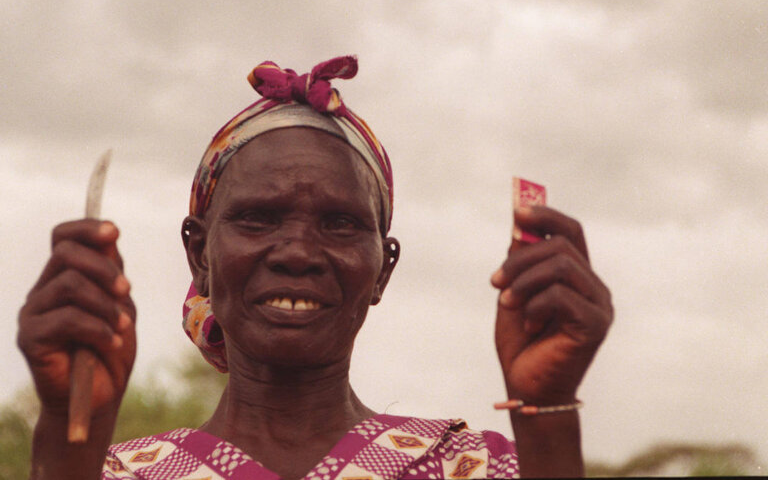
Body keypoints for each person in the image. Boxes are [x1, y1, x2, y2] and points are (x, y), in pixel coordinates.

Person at [17, 56, 613, 479]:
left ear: (383, 270)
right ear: (199, 255)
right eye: (257, 218)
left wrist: (548, 412)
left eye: (341, 223)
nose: (298, 253)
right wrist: (68, 431)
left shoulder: (475, 466)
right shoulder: (120, 473)